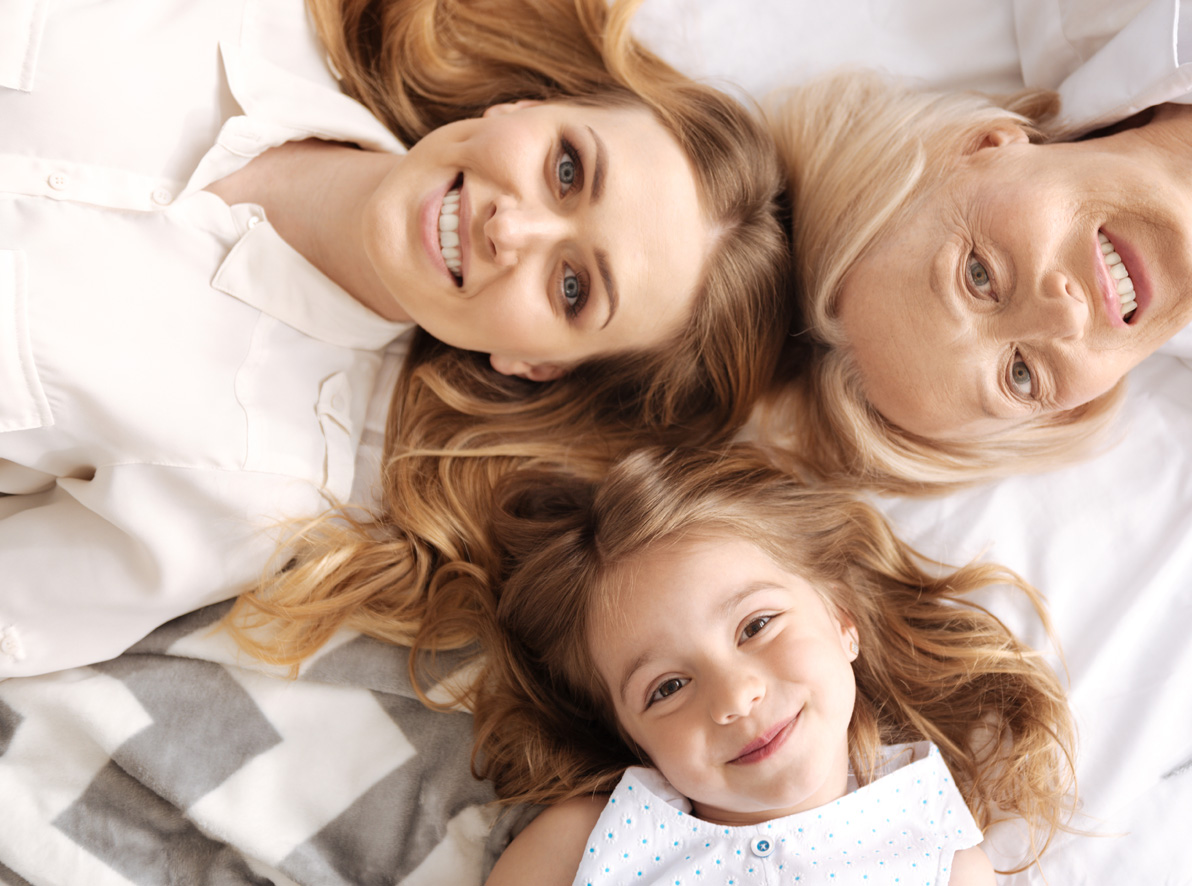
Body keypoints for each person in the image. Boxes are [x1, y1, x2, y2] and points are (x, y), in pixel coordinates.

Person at [0, 0, 789, 678]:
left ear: (538, 364)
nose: (510, 225)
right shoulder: (251, 17)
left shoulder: (255, 476)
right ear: (527, 108)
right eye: (568, 169)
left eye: (573, 286)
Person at [763, 0, 1192, 524]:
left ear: (982, 144)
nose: (1061, 314)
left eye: (978, 277)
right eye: (1021, 375)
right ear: (1070, 410)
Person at [462, 447, 1075, 885]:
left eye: (756, 626)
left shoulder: (941, 857)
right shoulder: (589, 841)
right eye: (667, 687)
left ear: (842, 620)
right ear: (632, 736)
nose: (735, 696)